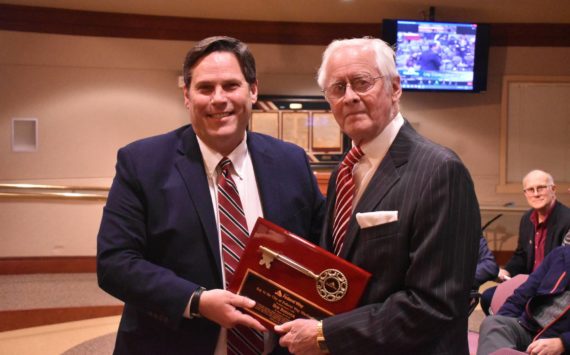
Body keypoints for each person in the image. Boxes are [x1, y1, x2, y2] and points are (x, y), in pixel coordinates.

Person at [97, 36, 325, 354]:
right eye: (205, 88)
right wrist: (196, 300)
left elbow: (320, 249)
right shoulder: (142, 162)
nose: (219, 99)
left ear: (253, 90)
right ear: (187, 96)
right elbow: (115, 263)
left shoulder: (291, 161)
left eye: (231, 85)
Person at [275, 37, 481, 354]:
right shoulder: (347, 170)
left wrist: (325, 335)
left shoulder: (440, 170)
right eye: (337, 88)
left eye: (362, 82)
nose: (350, 97)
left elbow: (434, 304)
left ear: (395, 88)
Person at [481, 170, 570, 315]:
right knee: (487, 297)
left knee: (514, 307)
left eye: (540, 188)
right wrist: (507, 271)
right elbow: (521, 255)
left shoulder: (567, 220)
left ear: (553, 189)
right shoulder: (527, 218)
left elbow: (563, 269)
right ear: (525, 194)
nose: (536, 194)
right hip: (528, 284)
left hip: (550, 290)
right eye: (530, 190)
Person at [476, 240, 570, 355]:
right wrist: (503, 318)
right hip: (530, 328)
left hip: (559, 341)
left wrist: (563, 343)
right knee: (494, 322)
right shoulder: (560, 255)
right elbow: (522, 295)